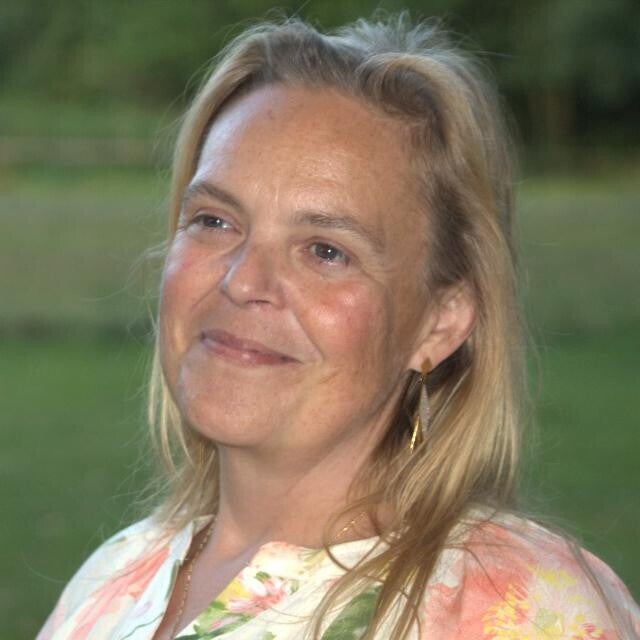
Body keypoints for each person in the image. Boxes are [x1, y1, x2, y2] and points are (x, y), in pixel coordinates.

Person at [37, 13, 639, 640]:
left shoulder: (517, 608)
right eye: (214, 220)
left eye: (326, 251)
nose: (242, 280)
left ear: (441, 322)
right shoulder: (114, 579)